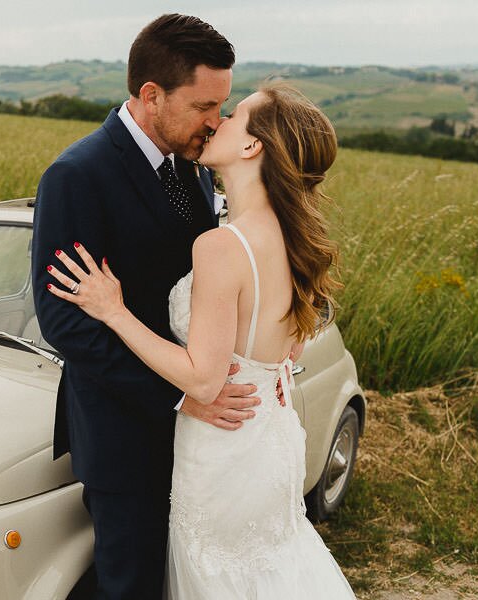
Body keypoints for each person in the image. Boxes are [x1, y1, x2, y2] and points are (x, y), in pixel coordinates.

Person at [46, 84, 357, 598]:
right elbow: (291, 343)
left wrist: (114, 311)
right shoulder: (290, 236)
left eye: (233, 115)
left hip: (225, 448)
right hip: (267, 439)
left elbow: (205, 378)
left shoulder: (221, 246)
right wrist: (268, 368)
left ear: (252, 147)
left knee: (218, 576)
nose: (218, 122)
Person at [31, 13, 272, 600]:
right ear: (150, 95)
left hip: (202, 433)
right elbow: (66, 323)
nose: (215, 121)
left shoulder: (191, 166)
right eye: (204, 105)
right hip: (123, 434)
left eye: (224, 105)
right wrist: (181, 394)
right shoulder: (76, 176)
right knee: (131, 584)